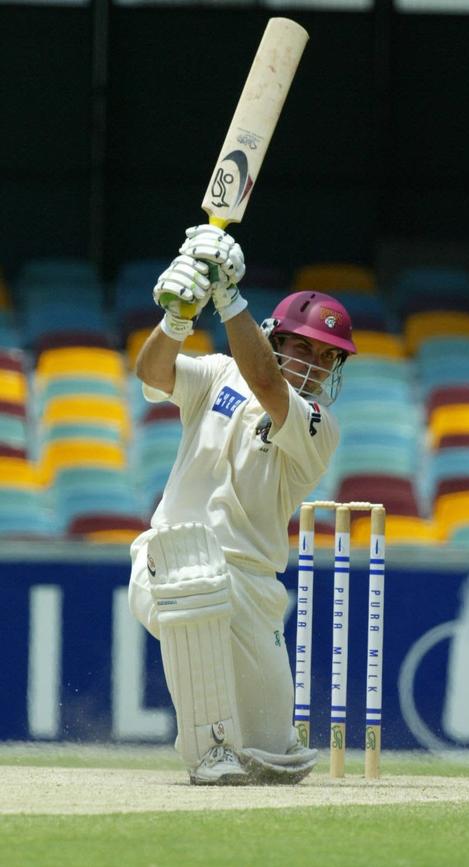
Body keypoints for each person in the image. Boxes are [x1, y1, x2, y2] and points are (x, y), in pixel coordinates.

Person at [127, 224, 356, 785]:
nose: (312, 363)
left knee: (277, 761)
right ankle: (205, 752)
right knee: (195, 585)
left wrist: (227, 299)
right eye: (301, 345)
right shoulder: (215, 372)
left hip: (253, 585)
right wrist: (176, 320)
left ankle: (246, 749)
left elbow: (269, 387)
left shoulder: (317, 425)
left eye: (326, 356)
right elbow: (152, 373)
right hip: (170, 559)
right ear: (275, 337)